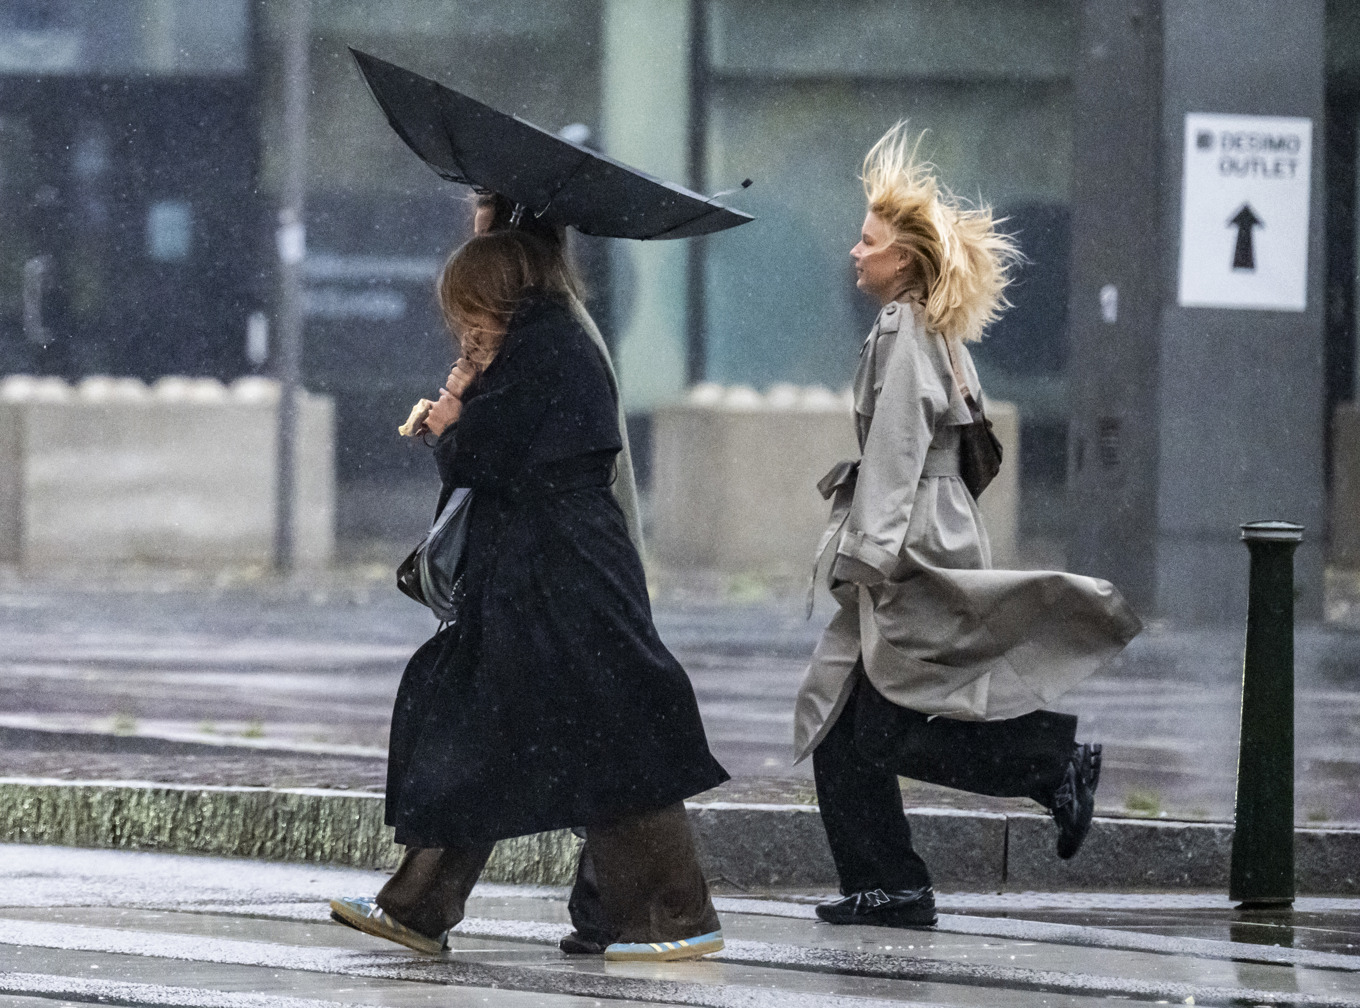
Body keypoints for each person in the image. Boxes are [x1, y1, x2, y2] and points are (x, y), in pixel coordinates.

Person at [331, 229, 729, 961]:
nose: (459, 327)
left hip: (565, 577)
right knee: (475, 729)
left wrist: (453, 419)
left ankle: (675, 916)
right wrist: (468, 385)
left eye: (465, 310)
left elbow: (487, 455)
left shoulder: (549, 344)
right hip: (534, 577)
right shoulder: (535, 343)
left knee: (615, 733)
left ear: (497, 290)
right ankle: (421, 905)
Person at [795, 123, 1141, 929]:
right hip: (929, 527)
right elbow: (971, 446)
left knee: (878, 728)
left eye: (868, 241)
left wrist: (868, 555)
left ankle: (1049, 764)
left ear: (904, 260)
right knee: (848, 727)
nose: (854, 252)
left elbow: (899, 443)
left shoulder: (901, 329)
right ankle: (891, 883)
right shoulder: (937, 330)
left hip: (906, 543)